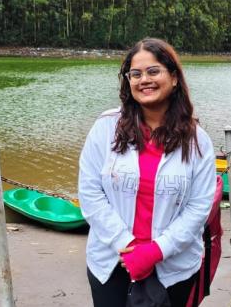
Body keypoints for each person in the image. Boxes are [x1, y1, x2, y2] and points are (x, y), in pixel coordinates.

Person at [78, 37, 216, 307]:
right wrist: (125, 244)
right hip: (112, 262)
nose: (144, 80)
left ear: (173, 77)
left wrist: (156, 250)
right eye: (136, 74)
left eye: (153, 71)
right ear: (128, 81)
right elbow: (90, 192)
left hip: (173, 268)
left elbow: (199, 206)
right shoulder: (105, 128)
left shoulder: (197, 140)